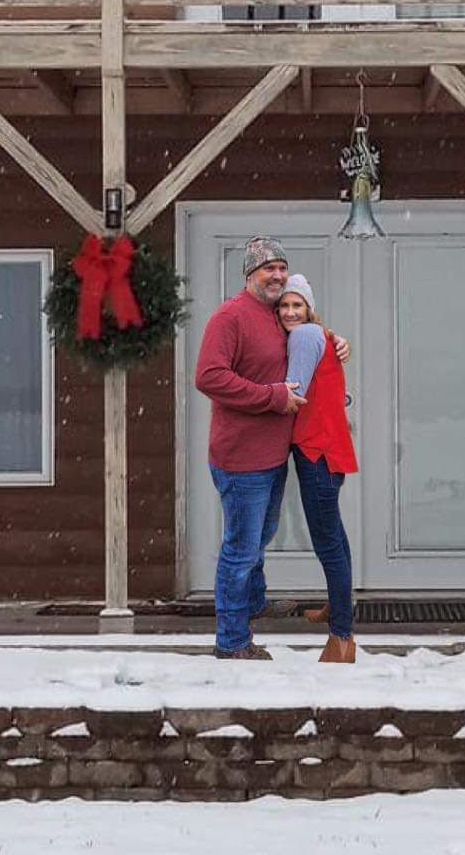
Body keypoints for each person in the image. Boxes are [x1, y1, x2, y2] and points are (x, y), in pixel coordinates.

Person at [192, 236, 349, 661]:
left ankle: (253, 601)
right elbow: (208, 376)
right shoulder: (230, 317)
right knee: (240, 550)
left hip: (273, 454)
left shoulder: (278, 317)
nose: (277, 275)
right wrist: (271, 396)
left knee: (259, 538)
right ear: (250, 275)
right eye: (268, 268)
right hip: (241, 458)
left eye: (282, 267)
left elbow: (306, 342)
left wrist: (333, 342)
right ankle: (232, 641)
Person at [278, 274, 358, 663]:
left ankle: (341, 638)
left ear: (308, 308)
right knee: (335, 538)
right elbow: (334, 392)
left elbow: (292, 390)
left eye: (298, 305)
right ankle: (338, 605)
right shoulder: (320, 335)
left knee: (327, 542)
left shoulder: (305, 336)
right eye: (284, 306)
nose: (291, 312)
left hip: (317, 452)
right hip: (327, 448)